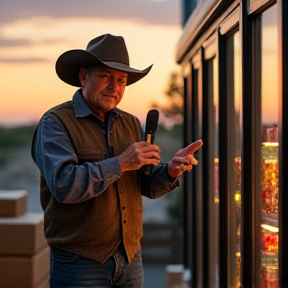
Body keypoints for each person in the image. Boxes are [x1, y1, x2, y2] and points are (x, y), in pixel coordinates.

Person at [31, 33, 203, 288]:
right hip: (79, 264)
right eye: (105, 76)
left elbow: (143, 186)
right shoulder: (55, 123)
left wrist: (171, 172)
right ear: (83, 76)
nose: (114, 86)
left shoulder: (131, 123)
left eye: (121, 80)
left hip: (131, 260)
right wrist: (121, 162)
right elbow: (64, 185)